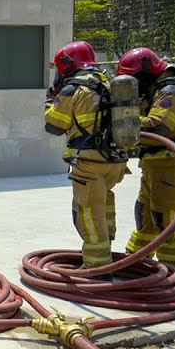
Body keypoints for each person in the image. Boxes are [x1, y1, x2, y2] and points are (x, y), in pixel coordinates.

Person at [116, 47, 175, 275]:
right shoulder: (158, 88)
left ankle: (173, 269)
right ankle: (136, 261)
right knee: (145, 212)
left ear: (147, 72)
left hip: (172, 163)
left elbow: (159, 126)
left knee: (167, 216)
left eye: (137, 79)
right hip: (156, 163)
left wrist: (120, 122)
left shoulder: (173, 91)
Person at [43, 41, 128, 273]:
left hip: (90, 162)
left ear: (67, 66)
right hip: (115, 162)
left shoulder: (74, 89)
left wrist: (51, 99)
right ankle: (107, 251)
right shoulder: (110, 84)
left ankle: (97, 267)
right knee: (104, 205)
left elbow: (54, 126)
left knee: (88, 211)